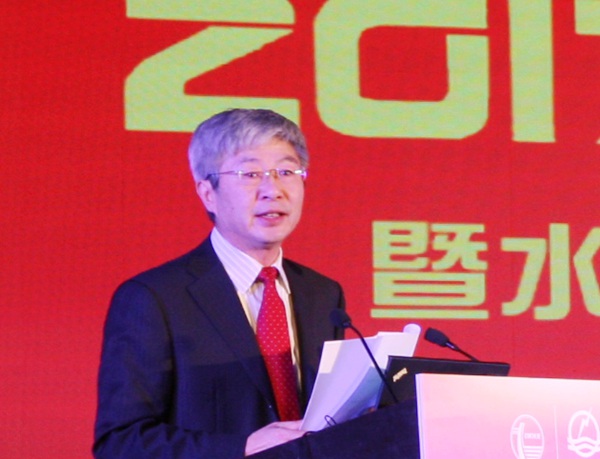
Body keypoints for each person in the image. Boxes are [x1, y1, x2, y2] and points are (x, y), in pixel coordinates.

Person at [93, 109, 346, 458]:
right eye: (250, 174)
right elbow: (121, 442)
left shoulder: (322, 294)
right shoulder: (155, 298)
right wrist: (241, 448)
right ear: (208, 192)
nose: (273, 190)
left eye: (287, 172)